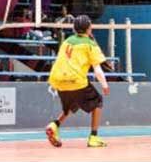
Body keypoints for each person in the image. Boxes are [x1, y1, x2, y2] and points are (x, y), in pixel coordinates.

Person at [45, 15, 111, 148]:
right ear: (88, 28)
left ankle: (54, 124)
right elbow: (97, 69)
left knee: (71, 105)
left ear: (75, 29)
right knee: (98, 102)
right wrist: (104, 85)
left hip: (58, 81)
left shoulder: (67, 41)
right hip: (76, 80)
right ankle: (93, 137)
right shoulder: (90, 44)